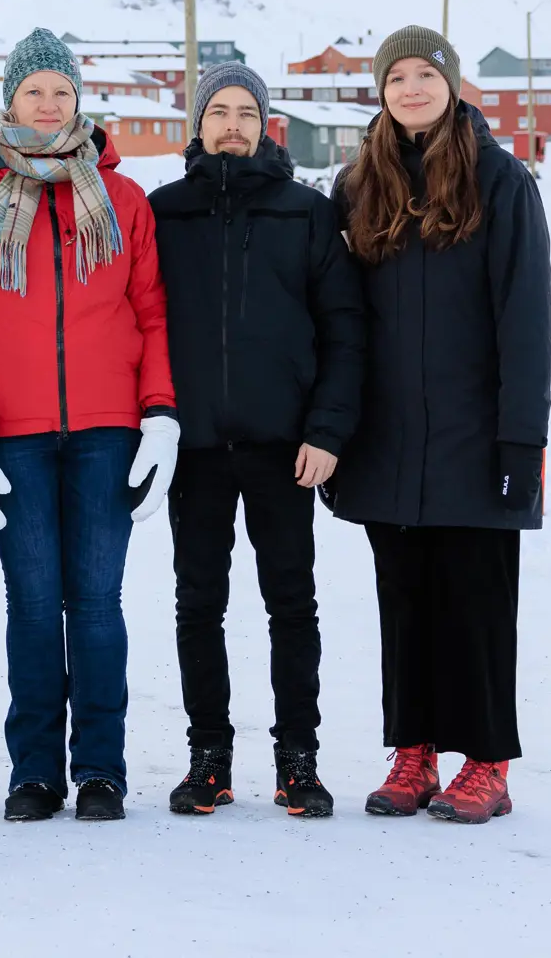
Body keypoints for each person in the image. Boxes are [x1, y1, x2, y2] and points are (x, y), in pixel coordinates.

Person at [0, 28, 176, 823]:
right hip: (13, 433)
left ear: (80, 101)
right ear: (10, 101)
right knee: (34, 603)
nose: (48, 103)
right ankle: (35, 770)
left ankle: (100, 769)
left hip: (109, 429)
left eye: (61, 91)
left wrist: (160, 413)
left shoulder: (122, 199)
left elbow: (150, 314)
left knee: (98, 603)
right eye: (34, 90)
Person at [331, 25, 551, 826]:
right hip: (388, 440)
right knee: (406, 598)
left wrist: (522, 441)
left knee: (479, 602)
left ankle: (486, 760)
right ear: (381, 91)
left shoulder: (501, 181)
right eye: (398, 76)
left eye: (427, 73)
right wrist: (339, 428)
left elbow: (526, 323)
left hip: (476, 436)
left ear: (453, 85)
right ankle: (414, 750)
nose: (413, 87)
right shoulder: (358, 185)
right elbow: (341, 318)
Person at [150, 62, 364, 820]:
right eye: (219, 111)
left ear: (266, 123)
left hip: (284, 447)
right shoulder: (163, 213)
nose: (233, 123)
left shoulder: (303, 214)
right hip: (196, 448)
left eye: (247, 111)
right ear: (199, 124)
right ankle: (208, 755)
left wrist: (328, 430)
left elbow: (344, 330)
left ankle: (296, 758)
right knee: (197, 603)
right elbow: (138, 327)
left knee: (291, 603)